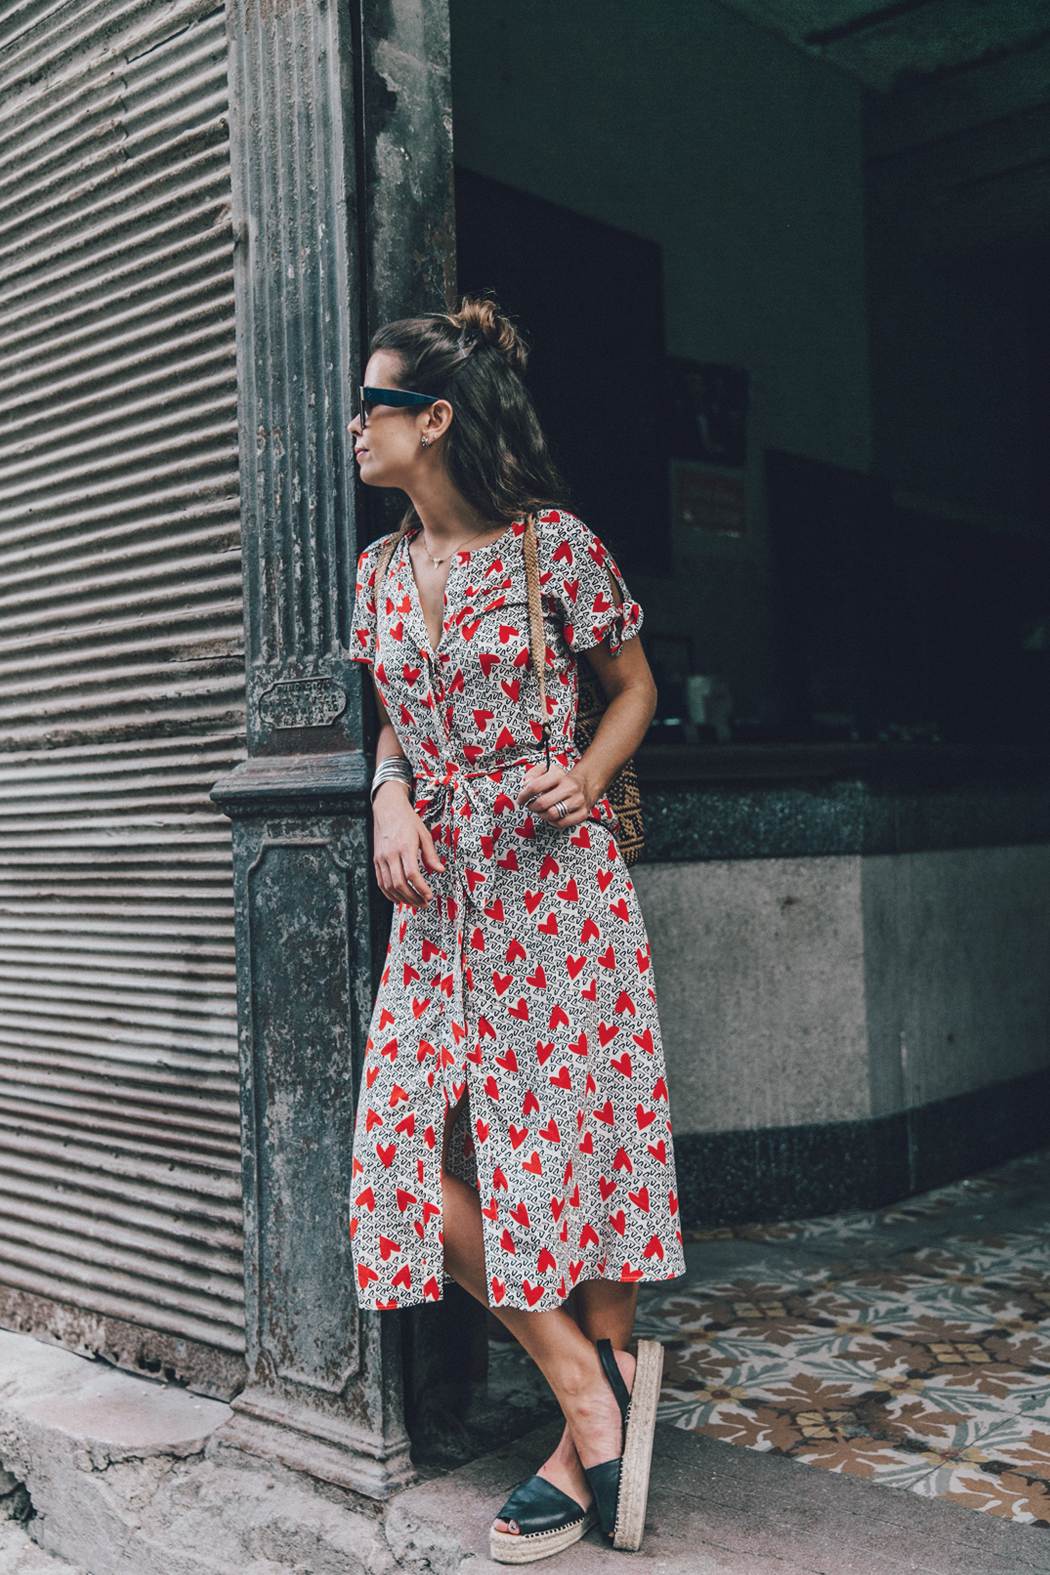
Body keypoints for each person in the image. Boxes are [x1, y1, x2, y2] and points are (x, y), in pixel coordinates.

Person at [347, 298, 685, 1562]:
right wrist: (388, 792)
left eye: (372, 405)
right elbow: (395, 716)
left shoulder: (557, 550)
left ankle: (584, 1436)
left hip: (557, 891)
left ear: (433, 420)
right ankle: (594, 1396)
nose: (353, 427)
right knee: (396, 1164)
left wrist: (587, 778)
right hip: (442, 905)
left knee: (578, 1165)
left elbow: (635, 688)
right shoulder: (380, 573)